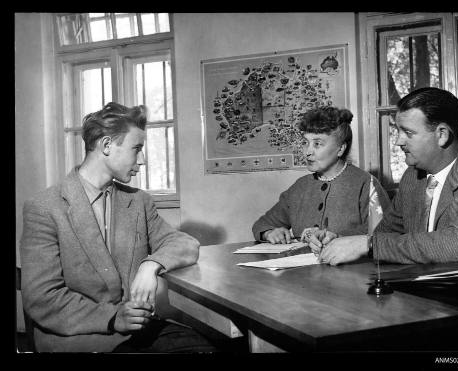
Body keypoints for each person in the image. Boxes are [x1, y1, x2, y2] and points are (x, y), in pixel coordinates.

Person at [20, 102, 217, 353]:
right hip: (76, 336)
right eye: (137, 149)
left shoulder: (139, 202)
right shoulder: (43, 207)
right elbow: (42, 298)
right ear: (106, 146)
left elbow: (186, 244)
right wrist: (113, 318)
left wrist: (151, 265)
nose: (142, 160)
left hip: (136, 330)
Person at [307, 87, 458, 265]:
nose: (398, 141)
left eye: (408, 133)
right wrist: (341, 241)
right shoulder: (412, 177)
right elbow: (385, 233)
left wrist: (369, 245)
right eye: (399, 131)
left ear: (442, 135)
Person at [252, 106, 390, 245]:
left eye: (317, 144)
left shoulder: (366, 184)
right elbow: (262, 225)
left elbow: (383, 233)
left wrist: (337, 237)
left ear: (340, 149)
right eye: (305, 142)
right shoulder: (300, 187)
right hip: (304, 266)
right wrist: (270, 233)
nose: (308, 152)